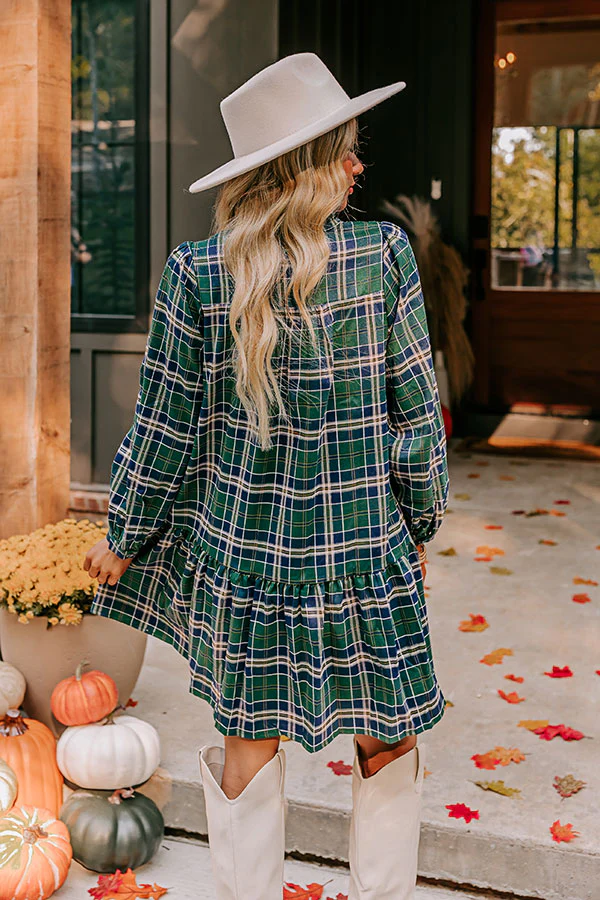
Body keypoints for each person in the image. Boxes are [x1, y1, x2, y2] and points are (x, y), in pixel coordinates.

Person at [84, 52, 449, 900]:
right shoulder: (383, 256)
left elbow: (162, 427)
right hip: (365, 555)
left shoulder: (194, 273)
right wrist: (417, 528)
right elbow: (417, 420)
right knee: (386, 740)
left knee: (250, 748)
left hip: (245, 564)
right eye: (346, 148)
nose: (360, 164)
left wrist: (125, 534)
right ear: (307, 167)